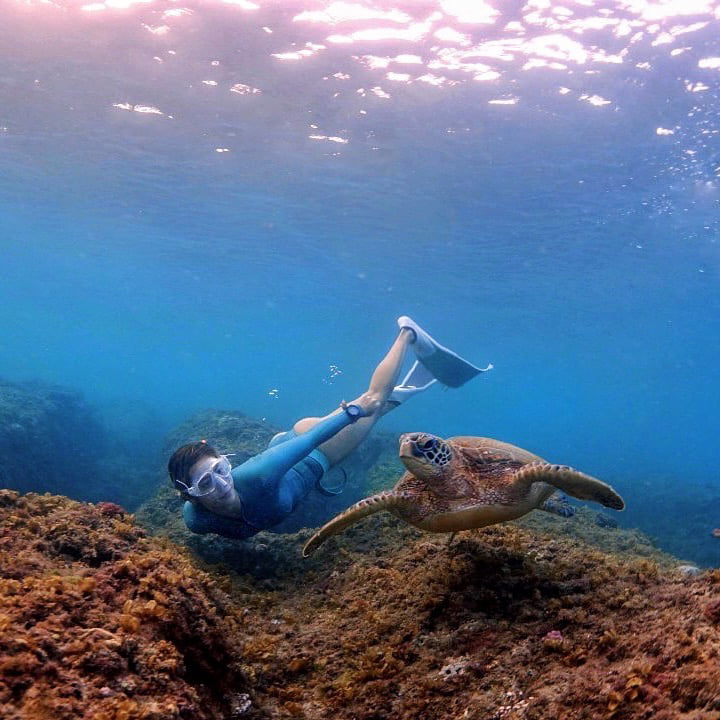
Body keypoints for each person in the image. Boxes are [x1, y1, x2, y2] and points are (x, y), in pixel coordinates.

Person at [167, 316, 492, 540]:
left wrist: (353, 412)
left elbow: (309, 441)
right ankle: (420, 377)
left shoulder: (255, 475)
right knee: (377, 412)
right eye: (207, 482)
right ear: (188, 493)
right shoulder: (196, 519)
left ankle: (407, 334)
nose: (222, 483)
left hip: (317, 452)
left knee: (374, 402)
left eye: (221, 469)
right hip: (289, 448)